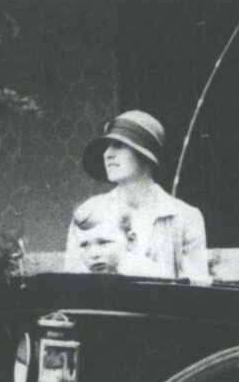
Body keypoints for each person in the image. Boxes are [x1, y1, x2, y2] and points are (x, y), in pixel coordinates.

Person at [63, 110, 211, 282]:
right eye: (106, 147)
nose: (107, 154)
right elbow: (74, 283)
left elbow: (197, 286)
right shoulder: (90, 212)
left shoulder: (184, 216)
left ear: (145, 153)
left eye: (118, 145)